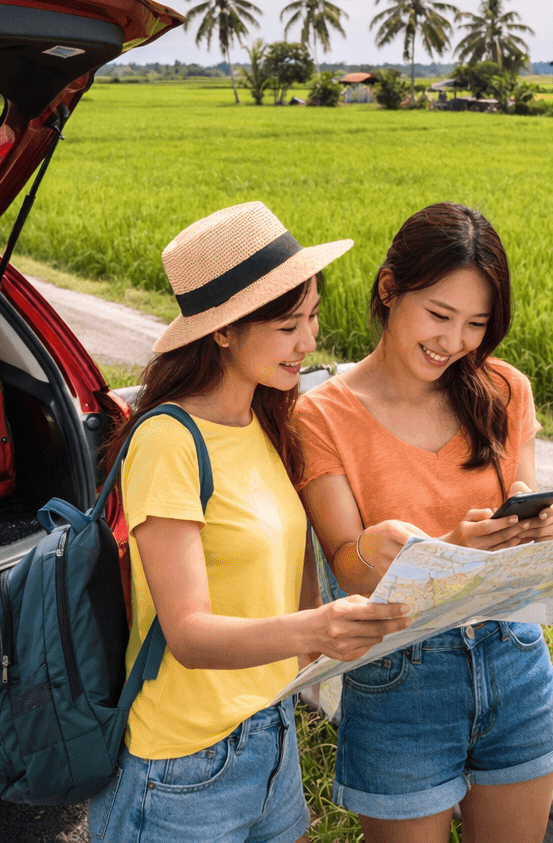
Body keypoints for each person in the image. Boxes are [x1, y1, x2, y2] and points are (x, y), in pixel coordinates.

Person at [86, 201, 411, 843]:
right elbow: (190, 635)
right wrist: (316, 627)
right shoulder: (167, 441)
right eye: (289, 324)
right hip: (182, 770)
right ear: (224, 331)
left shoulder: (265, 421)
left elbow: (294, 563)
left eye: (312, 317)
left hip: (270, 737)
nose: (310, 342)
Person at [297, 201, 553, 843]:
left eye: (476, 323)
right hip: (402, 677)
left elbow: (524, 492)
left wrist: (538, 523)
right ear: (390, 291)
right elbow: (346, 562)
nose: (454, 343)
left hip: (514, 653)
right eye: (439, 315)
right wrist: (451, 546)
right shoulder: (321, 417)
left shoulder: (504, 388)